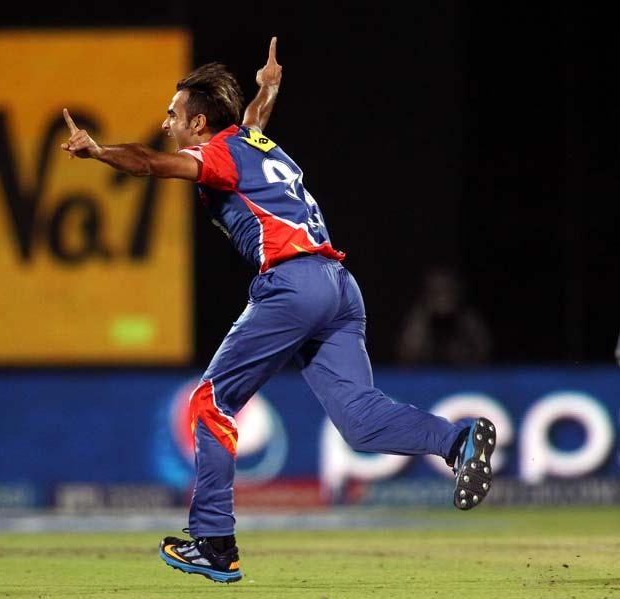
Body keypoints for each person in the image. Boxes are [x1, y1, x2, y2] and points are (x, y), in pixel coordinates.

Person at [61, 37, 496, 584]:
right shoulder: (255, 142)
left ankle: (215, 542)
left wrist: (100, 152)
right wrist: (267, 91)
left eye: (174, 115)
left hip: (293, 285)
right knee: (359, 421)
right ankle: (457, 440)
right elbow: (251, 122)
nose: (165, 122)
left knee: (211, 401)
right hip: (340, 288)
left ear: (198, 125)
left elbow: (149, 163)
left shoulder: (214, 154)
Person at [396, 267, 492, 366]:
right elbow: (406, 355)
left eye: (446, 290)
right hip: (425, 377)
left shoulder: (468, 318)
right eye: (436, 292)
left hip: (462, 378)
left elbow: (484, 353)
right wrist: (424, 319)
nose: (442, 298)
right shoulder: (418, 317)